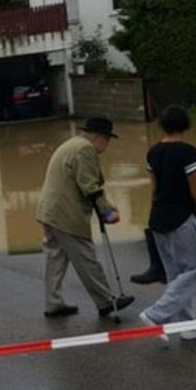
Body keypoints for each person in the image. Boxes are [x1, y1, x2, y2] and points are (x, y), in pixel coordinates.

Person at [139, 106, 196, 340]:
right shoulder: (188, 152)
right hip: (182, 219)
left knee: (177, 274)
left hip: (159, 218)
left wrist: (153, 218)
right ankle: (156, 314)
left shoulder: (153, 152)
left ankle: (187, 326)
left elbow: (154, 190)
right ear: (185, 124)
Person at [37, 117, 135, 318]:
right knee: (86, 257)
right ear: (99, 137)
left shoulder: (72, 144)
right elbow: (89, 185)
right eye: (107, 140)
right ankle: (106, 302)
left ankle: (53, 303)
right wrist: (107, 212)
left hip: (50, 211)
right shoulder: (86, 149)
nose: (107, 146)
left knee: (56, 257)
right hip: (65, 214)